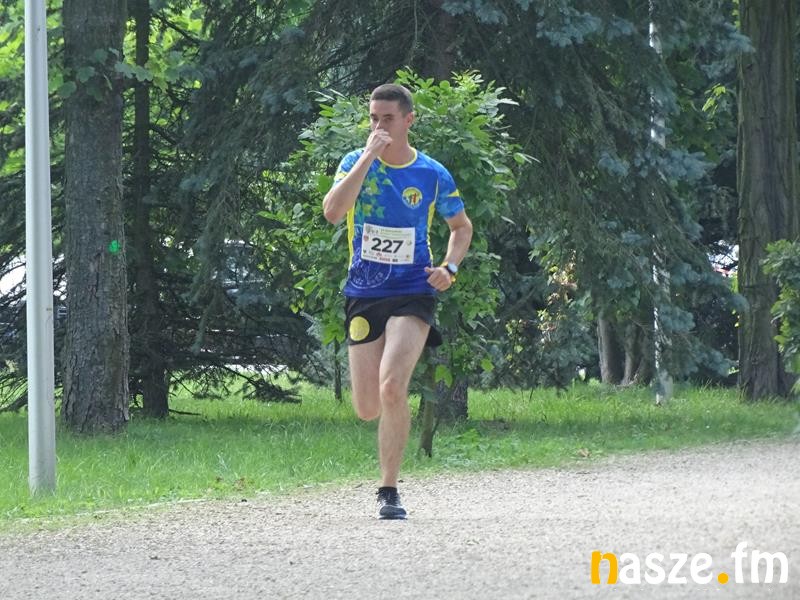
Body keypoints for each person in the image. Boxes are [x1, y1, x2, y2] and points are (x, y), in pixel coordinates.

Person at [322, 83, 473, 519]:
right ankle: (387, 472)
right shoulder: (354, 162)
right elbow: (333, 212)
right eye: (373, 118)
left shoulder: (431, 174)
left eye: (387, 119)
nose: (379, 126)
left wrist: (449, 268)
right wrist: (367, 158)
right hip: (364, 292)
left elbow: (461, 227)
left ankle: (389, 490)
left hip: (413, 290)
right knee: (368, 407)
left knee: (392, 386)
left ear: (408, 120)